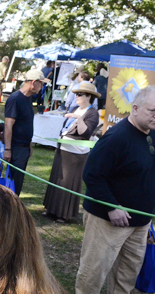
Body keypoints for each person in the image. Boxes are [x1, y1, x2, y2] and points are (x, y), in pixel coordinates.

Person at [74, 86, 155, 294]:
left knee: (131, 262)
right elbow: (92, 175)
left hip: (140, 217)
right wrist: (111, 206)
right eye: (153, 110)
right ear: (135, 109)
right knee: (97, 261)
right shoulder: (116, 138)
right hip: (109, 216)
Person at [43, 82, 100, 222]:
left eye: (80, 94)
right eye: (76, 94)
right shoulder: (75, 107)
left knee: (68, 182)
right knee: (57, 178)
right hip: (63, 148)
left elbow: (84, 133)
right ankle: (51, 209)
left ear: (89, 96)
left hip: (76, 154)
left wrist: (79, 119)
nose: (77, 97)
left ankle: (63, 213)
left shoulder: (92, 113)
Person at [3, 69, 44, 195]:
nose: (42, 87)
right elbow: (8, 125)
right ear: (33, 83)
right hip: (16, 148)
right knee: (13, 183)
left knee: (18, 182)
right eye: (41, 83)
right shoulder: (15, 99)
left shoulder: (29, 99)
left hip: (24, 147)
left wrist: (29, 144)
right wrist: (8, 149)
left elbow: (26, 123)